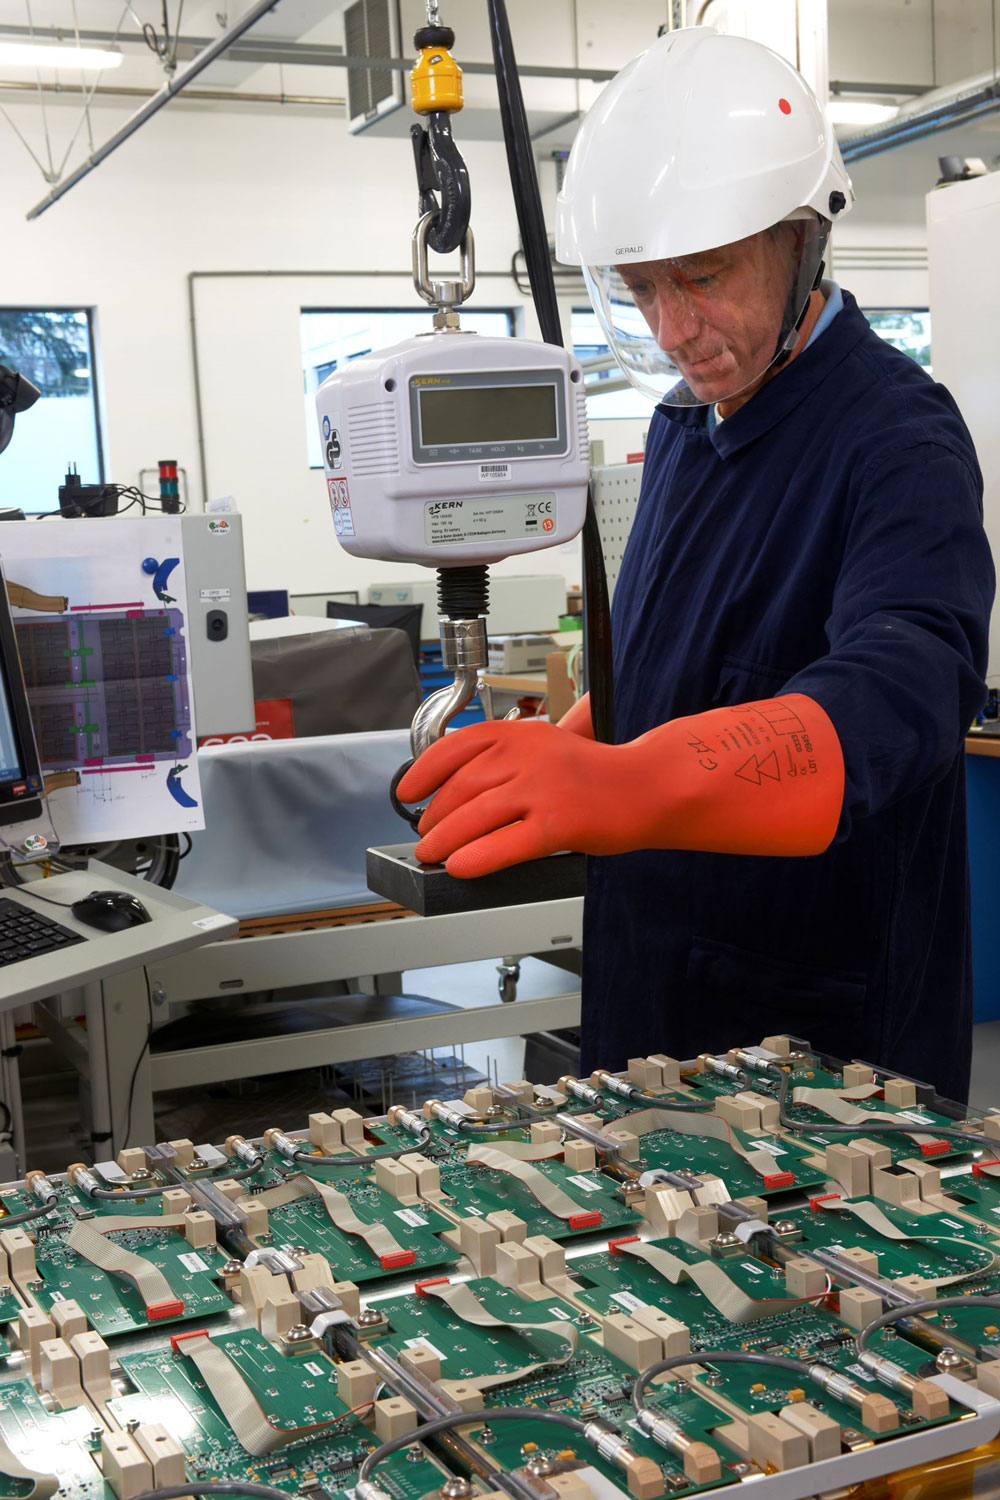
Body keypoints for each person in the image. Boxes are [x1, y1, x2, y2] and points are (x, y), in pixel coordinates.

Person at [397, 27, 995, 1102]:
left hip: (820, 1038)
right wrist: (570, 751)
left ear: (800, 239)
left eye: (703, 278)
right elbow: (678, 674)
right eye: (640, 290)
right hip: (649, 986)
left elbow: (894, 701)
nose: (674, 329)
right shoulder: (685, 429)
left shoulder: (898, 439)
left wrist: (621, 782)